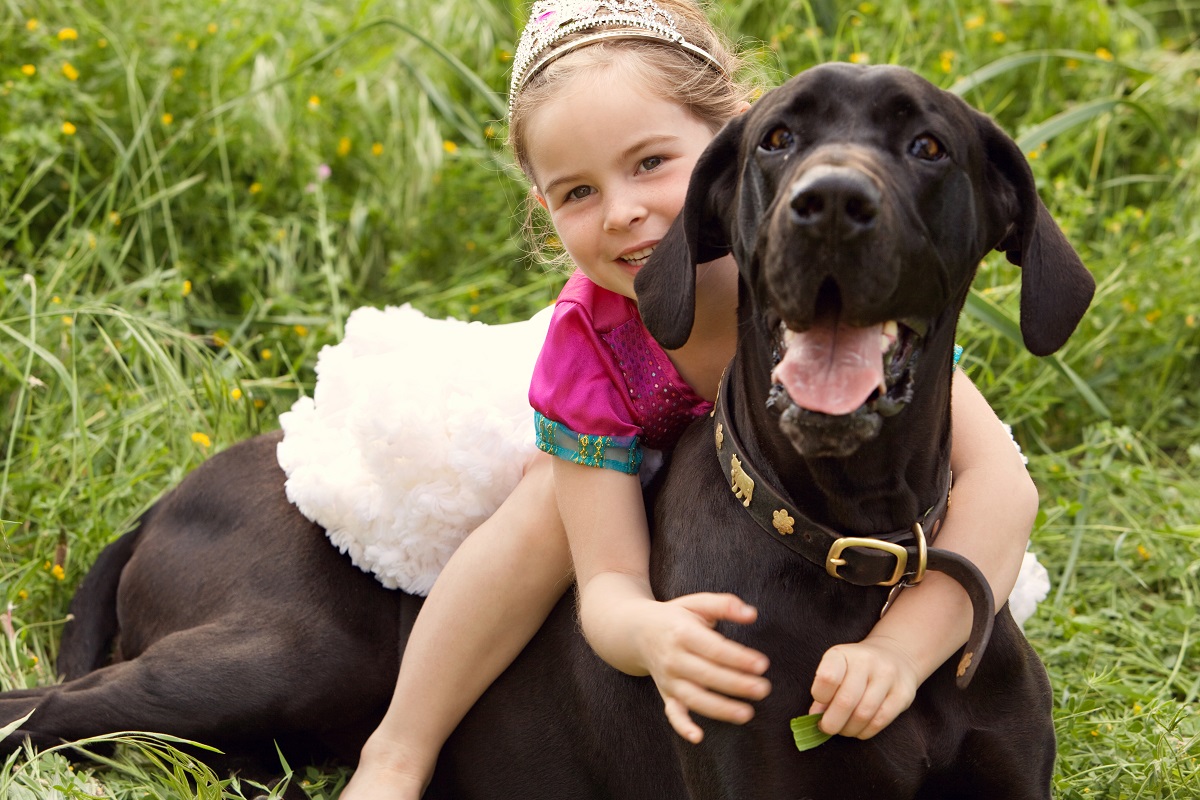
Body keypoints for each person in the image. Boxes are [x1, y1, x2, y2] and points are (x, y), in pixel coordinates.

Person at [331, 1, 1041, 796]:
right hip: (632, 465)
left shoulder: (796, 263)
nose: (623, 211)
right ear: (544, 211)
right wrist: (646, 633)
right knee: (539, 509)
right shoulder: (589, 347)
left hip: (786, 489)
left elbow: (1003, 485)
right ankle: (399, 748)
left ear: (730, 153)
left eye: (647, 164)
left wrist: (903, 650)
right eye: (576, 193)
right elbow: (607, 586)